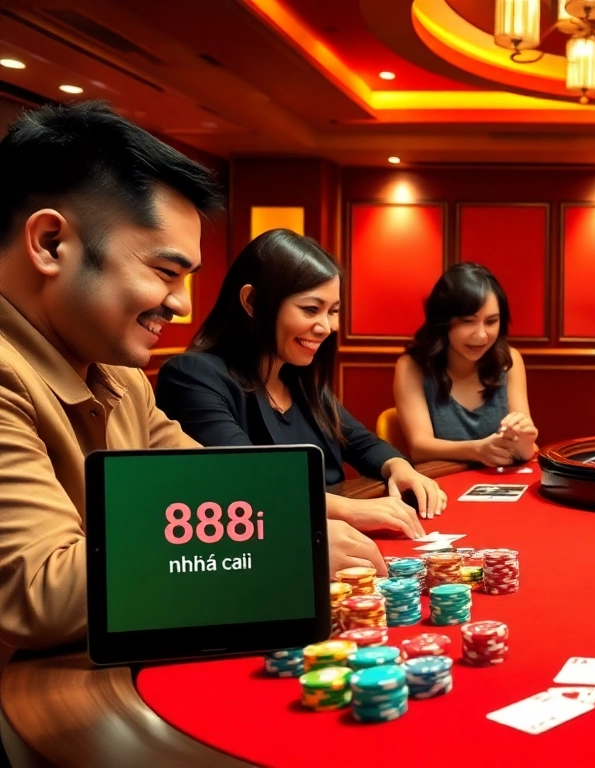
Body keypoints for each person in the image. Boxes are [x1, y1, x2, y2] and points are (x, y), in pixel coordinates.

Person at [0, 103, 382, 654]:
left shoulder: (120, 377)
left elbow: (219, 488)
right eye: (164, 273)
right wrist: (284, 548)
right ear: (51, 244)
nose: (180, 304)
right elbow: (41, 592)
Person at [156, 229, 447, 540]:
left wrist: (399, 468)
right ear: (252, 302)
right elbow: (245, 481)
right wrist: (351, 510)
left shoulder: (297, 378)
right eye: (311, 309)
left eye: (333, 311)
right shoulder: (192, 376)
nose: (326, 327)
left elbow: (363, 443)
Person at [393, 263, 537, 466]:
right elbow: (420, 448)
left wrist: (525, 441)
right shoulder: (412, 366)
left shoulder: (509, 361)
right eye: (468, 321)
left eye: (491, 322)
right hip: (440, 485)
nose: (481, 335)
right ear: (443, 322)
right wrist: (477, 450)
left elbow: (523, 449)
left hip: (499, 485)